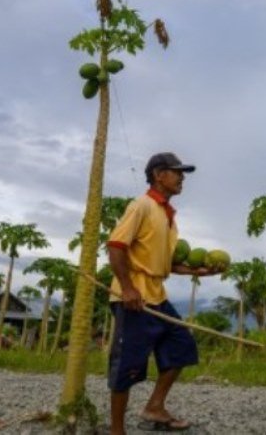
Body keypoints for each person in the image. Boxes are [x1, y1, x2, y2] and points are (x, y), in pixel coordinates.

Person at [106, 152, 217, 434]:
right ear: (159, 175)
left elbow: (163, 263)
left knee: (181, 347)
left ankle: (155, 406)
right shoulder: (141, 205)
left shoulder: (167, 215)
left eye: (183, 173)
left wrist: (196, 272)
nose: (182, 178)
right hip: (133, 299)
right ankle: (117, 431)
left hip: (157, 296)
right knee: (127, 366)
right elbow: (116, 246)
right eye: (177, 172)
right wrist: (128, 289)